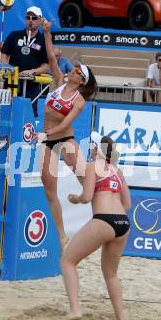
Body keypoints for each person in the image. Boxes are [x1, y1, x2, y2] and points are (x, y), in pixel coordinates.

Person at [37, 18, 97, 251]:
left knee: (86, 181)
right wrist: (47, 33)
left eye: (77, 71)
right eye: (74, 69)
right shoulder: (59, 82)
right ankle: (62, 235)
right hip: (48, 142)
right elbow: (52, 57)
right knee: (49, 190)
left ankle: (90, 203)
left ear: (81, 80)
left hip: (64, 139)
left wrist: (47, 133)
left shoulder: (79, 99)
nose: (72, 70)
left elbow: (65, 124)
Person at [63, 135, 131, 320]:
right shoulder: (118, 171)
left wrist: (74, 199)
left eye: (93, 146)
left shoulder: (93, 167)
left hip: (104, 219)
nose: (91, 148)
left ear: (97, 150)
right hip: (123, 223)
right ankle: (121, 317)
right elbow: (127, 203)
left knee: (68, 261)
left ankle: (75, 309)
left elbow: (86, 197)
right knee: (111, 274)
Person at [1, 6, 49, 117]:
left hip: (31, 85)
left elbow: (46, 66)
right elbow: (3, 56)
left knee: (29, 114)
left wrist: (32, 71)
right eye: (28, 17)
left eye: (34, 18)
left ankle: (26, 134)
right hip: (11, 82)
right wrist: (9, 68)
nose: (30, 20)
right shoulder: (14, 35)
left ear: (40, 19)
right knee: (6, 112)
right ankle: (4, 134)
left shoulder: (43, 40)